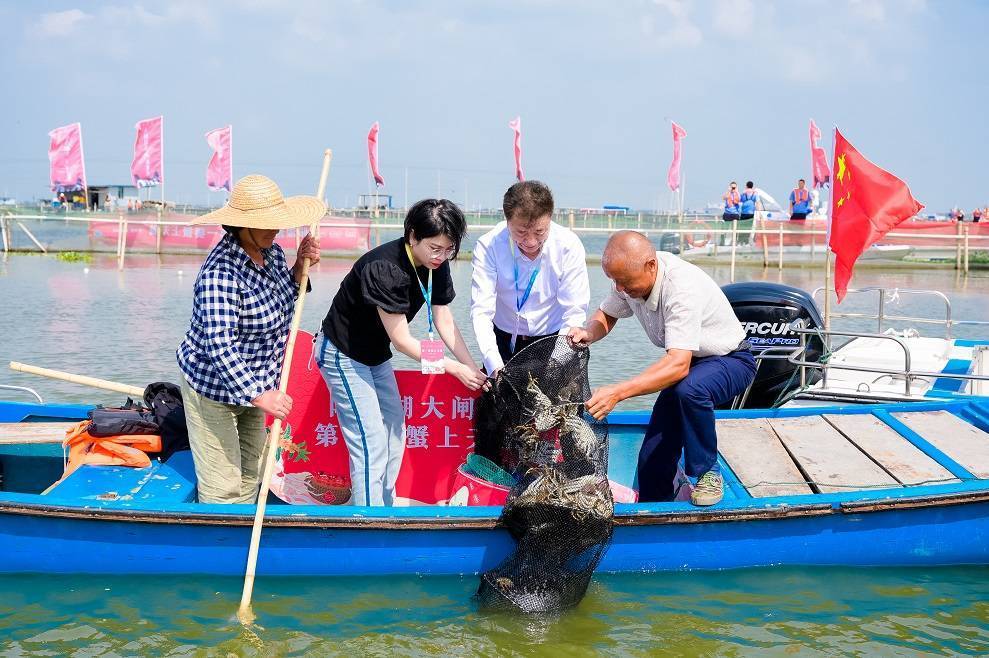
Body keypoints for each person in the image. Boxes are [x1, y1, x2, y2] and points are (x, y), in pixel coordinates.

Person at [316, 199, 487, 507]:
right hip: (343, 353)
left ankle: (383, 504)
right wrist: (451, 367)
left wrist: (471, 367)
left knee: (395, 430)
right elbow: (402, 341)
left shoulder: (437, 263)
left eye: (449, 249)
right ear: (412, 236)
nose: (442, 256)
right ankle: (369, 520)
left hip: (375, 354)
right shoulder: (385, 268)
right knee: (370, 442)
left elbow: (444, 320)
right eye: (435, 248)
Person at [569, 231, 756, 506]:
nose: (620, 289)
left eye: (625, 282)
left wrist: (617, 393)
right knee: (653, 456)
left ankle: (707, 473)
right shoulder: (627, 278)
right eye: (615, 281)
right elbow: (607, 313)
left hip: (731, 361)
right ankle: (651, 514)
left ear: (651, 266)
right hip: (692, 366)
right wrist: (589, 332)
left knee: (690, 390)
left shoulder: (681, 287)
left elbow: (678, 366)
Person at [177, 174, 325, 504]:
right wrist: (259, 395)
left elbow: (283, 303)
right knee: (223, 485)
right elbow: (219, 344)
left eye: (277, 223)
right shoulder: (221, 272)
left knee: (252, 473)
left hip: (258, 380)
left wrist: (300, 267)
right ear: (240, 226)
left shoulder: (270, 253)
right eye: (266, 224)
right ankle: (219, 544)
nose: (275, 230)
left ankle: (243, 537)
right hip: (213, 385)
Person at [470, 180, 589, 375]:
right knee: (500, 400)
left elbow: (574, 311)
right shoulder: (488, 246)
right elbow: (481, 311)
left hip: (555, 338)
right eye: (521, 232)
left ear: (550, 218)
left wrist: (557, 364)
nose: (531, 241)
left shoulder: (568, 245)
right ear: (507, 221)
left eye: (540, 232)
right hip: (503, 340)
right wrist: (494, 365)